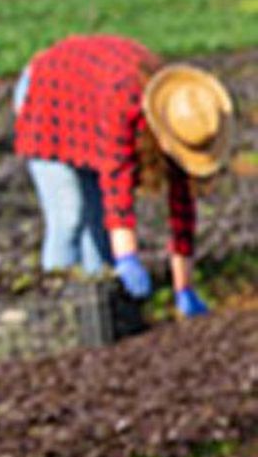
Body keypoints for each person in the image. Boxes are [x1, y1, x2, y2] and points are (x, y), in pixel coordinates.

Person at [12, 34, 233, 318]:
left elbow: (182, 209)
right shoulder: (127, 100)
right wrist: (127, 259)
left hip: (90, 108)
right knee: (69, 216)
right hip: (49, 95)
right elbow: (117, 184)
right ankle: (55, 316)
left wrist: (184, 287)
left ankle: (97, 316)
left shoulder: (181, 120)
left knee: (99, 226)